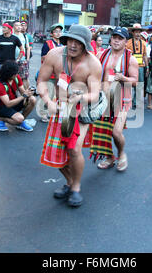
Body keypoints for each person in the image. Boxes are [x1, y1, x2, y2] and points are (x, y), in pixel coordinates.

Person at [37, 24, 102, 207]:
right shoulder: (54, 55)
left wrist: (80, 97)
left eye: (78, 42)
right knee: (56, 152)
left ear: (85, 45)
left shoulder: (93, 63)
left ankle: (76, 188)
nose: (73, 45)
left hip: (81, 110)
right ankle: (69, 182)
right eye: (70, 40)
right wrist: (48, 101)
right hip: (60, 107)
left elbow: (95, 94)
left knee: (74, 150)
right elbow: (41, 80)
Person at [92, 27, 138, 172]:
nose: (117, 40)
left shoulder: (130, 59)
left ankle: (121, 153)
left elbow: (135, 81)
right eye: (115, 37)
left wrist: (123, 78)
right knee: (102, 131)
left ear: (126, 41)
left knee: (116, 132)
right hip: (103, 99)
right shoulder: (101, 54)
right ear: (110, 39)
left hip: (122, 100)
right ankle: (110, 157)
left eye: (120, 38)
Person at [0, 61, 36, 132]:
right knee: (19, 119)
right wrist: (24, 96)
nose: (17, 74)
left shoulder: (16, 77)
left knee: (32, 99)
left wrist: (29, 93)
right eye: (15, 73)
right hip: (1, 107)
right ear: (9, 74)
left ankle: (20, 123)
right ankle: (1, 118)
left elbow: (22, 91)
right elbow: (8, 104)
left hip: (13, 102)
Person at [38, 23, 63, 123]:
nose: (58, 33)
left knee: (59, 94)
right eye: (56, 31)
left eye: (60, 31)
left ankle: (55, 111)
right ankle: (43, 113)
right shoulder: (47, 43)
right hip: (50, 74)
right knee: (48, 94)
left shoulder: (62, 44)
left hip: (60, 74)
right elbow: (43, 57)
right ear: (52, 33)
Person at [126, 23, 148, 108]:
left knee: (140, 84)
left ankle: (137, 101)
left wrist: (147, 66)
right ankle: (128, 100)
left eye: (139, 32)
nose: (138, 34)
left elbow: (145, 55)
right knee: (130, 83)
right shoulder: (128, 43)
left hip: (141, 66)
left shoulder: (143, 43)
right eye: (136, 32)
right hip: (131, 66)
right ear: (133, 33)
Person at [13, 21, 30, 88]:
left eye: (20, 25)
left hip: (23, 60)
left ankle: (27, 95)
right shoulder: (11, 36)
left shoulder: (24, 36)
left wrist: (27, 59)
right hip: (13, 60)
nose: (19, 27)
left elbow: (28, 48)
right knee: (13, 78)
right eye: (17, 25)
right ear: (13, 27)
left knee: (24, 78)